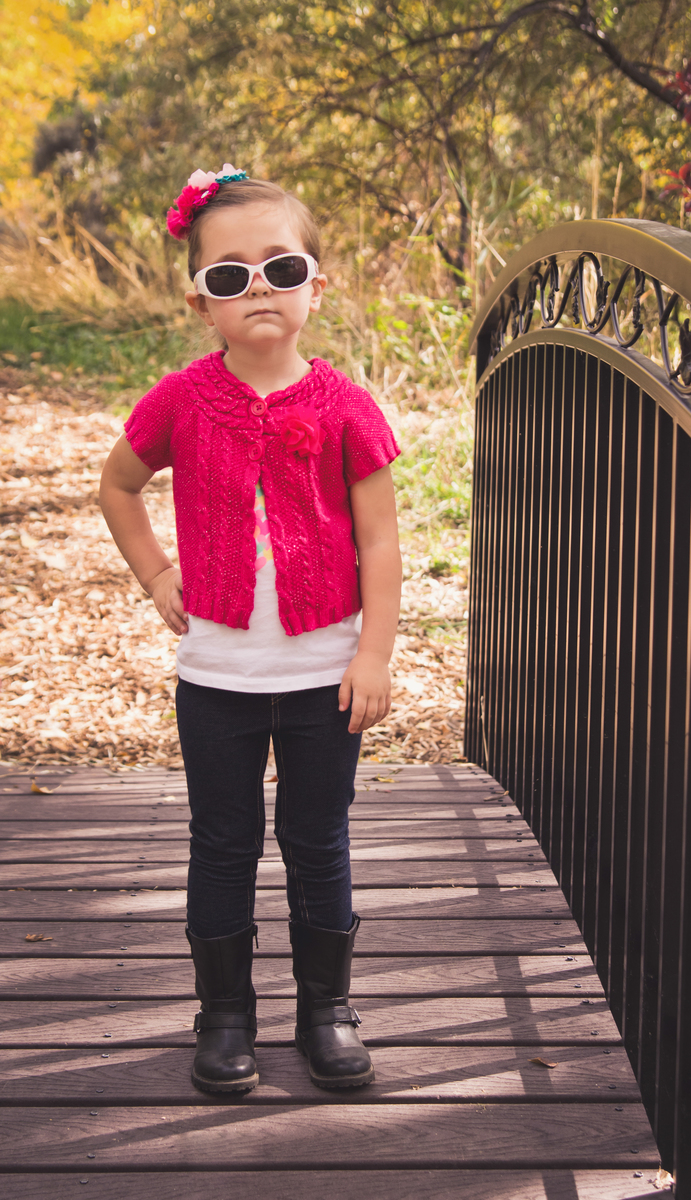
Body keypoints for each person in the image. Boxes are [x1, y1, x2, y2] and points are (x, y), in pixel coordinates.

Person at [99, 165, 402, 1094]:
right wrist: (158, 574)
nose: (259, 288)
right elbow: (118, 485)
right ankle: (225, 1015)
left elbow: (381, 539)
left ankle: (326, 1010)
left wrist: (374, 653)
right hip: (218, 679)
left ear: (318, 285)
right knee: (223, 843)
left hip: (324, 677)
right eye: (230, 275)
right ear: (202, 302)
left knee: (318, 840)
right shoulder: (182, 400)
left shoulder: (346, 406)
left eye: (282, 267)